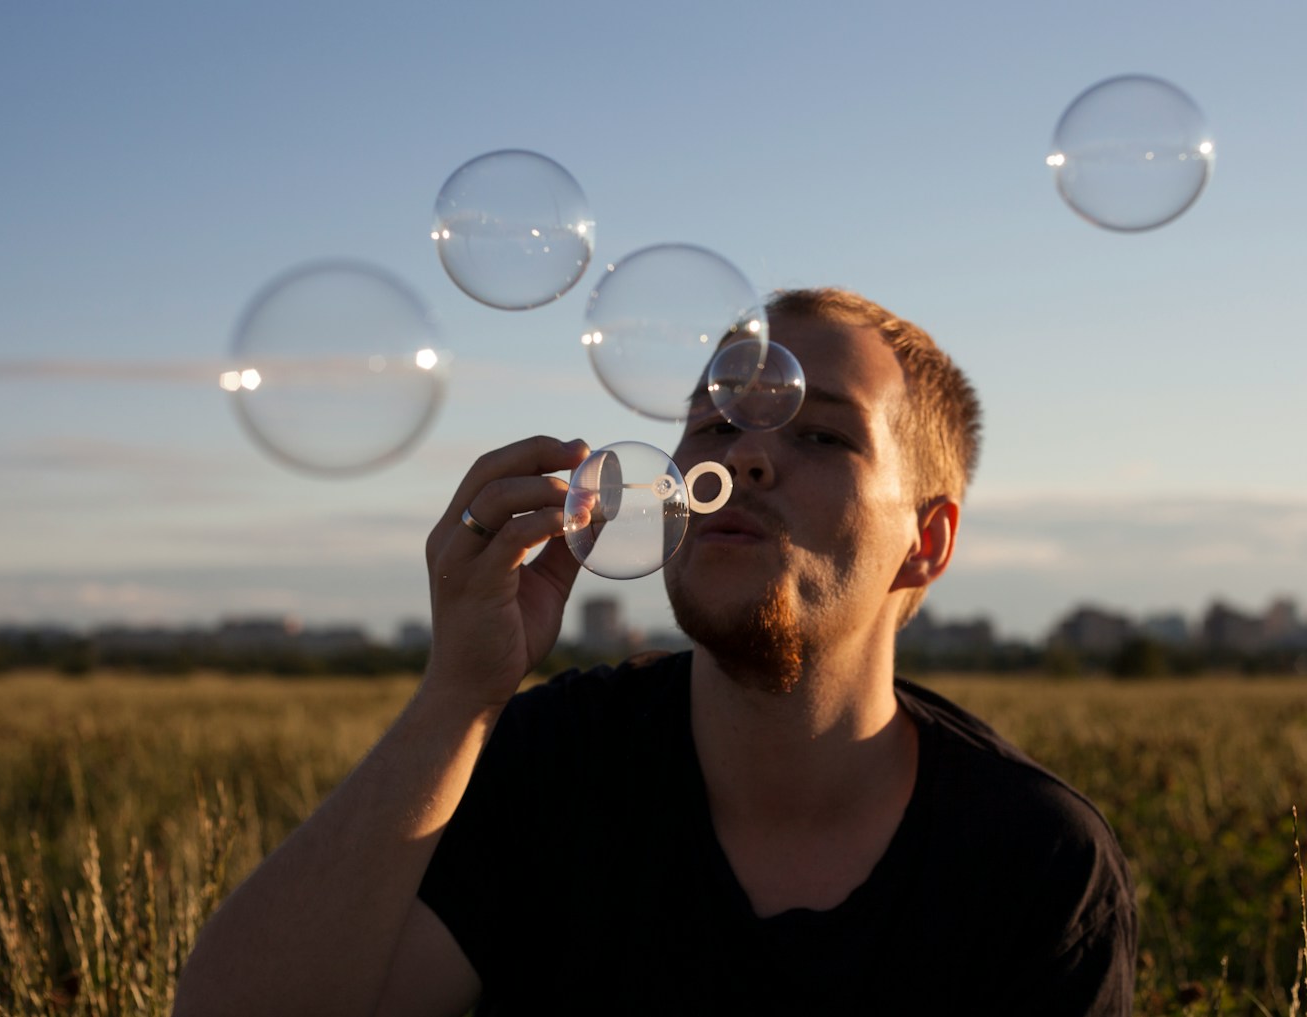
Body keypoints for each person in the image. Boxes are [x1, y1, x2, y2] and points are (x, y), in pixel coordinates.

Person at [174, 287, 1136, 1016]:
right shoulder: (551, 765)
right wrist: (459, 694)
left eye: (821, 433)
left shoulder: (1029, 860)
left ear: (926, 542)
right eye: (718, 423)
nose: (745, 456)